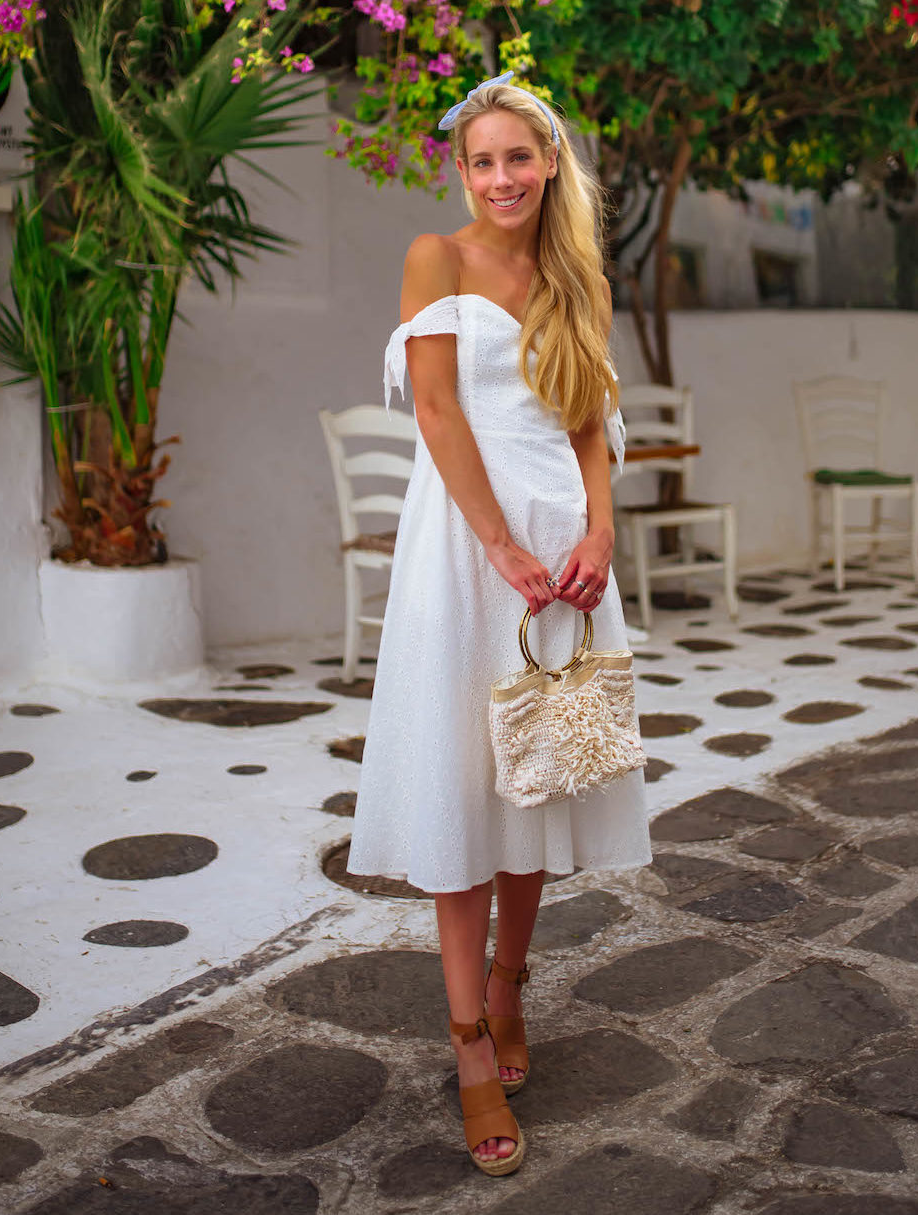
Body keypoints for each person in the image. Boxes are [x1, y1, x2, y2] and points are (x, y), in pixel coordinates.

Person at [348, 72, 651, 1176]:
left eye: (518, 156)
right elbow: (435, 411)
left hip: (568, 552)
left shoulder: (581, 279)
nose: (501, 177)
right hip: (469, 550)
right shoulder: (437, 257)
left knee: (543, 770)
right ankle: (469, 1036)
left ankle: (514, 983)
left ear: (550, 159)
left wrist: (599, 531)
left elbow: (586, 425)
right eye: (481, 160)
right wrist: (502, 548)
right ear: (462, 170)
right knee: (461, 781)